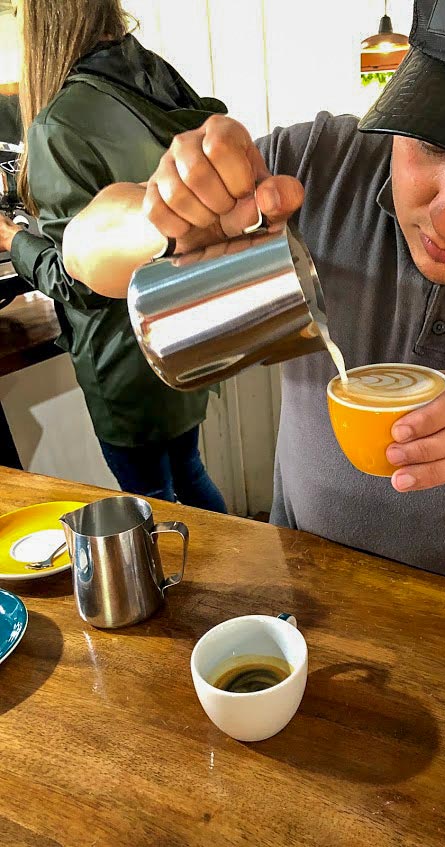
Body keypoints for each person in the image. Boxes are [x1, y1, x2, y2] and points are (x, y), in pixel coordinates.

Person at [64, 0, 445, 591]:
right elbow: (82, 250)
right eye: (433, 141)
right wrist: (165, 213)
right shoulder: (318, 167)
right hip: (299, 606)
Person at [0, 0, 228, 512]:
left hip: (122, 363)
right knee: (190, 473)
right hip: (186, 333)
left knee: (150, 499)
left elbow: (78, 279)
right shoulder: (157, 77)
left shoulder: (59, 122)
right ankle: (234, 564)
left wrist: (12, 239)